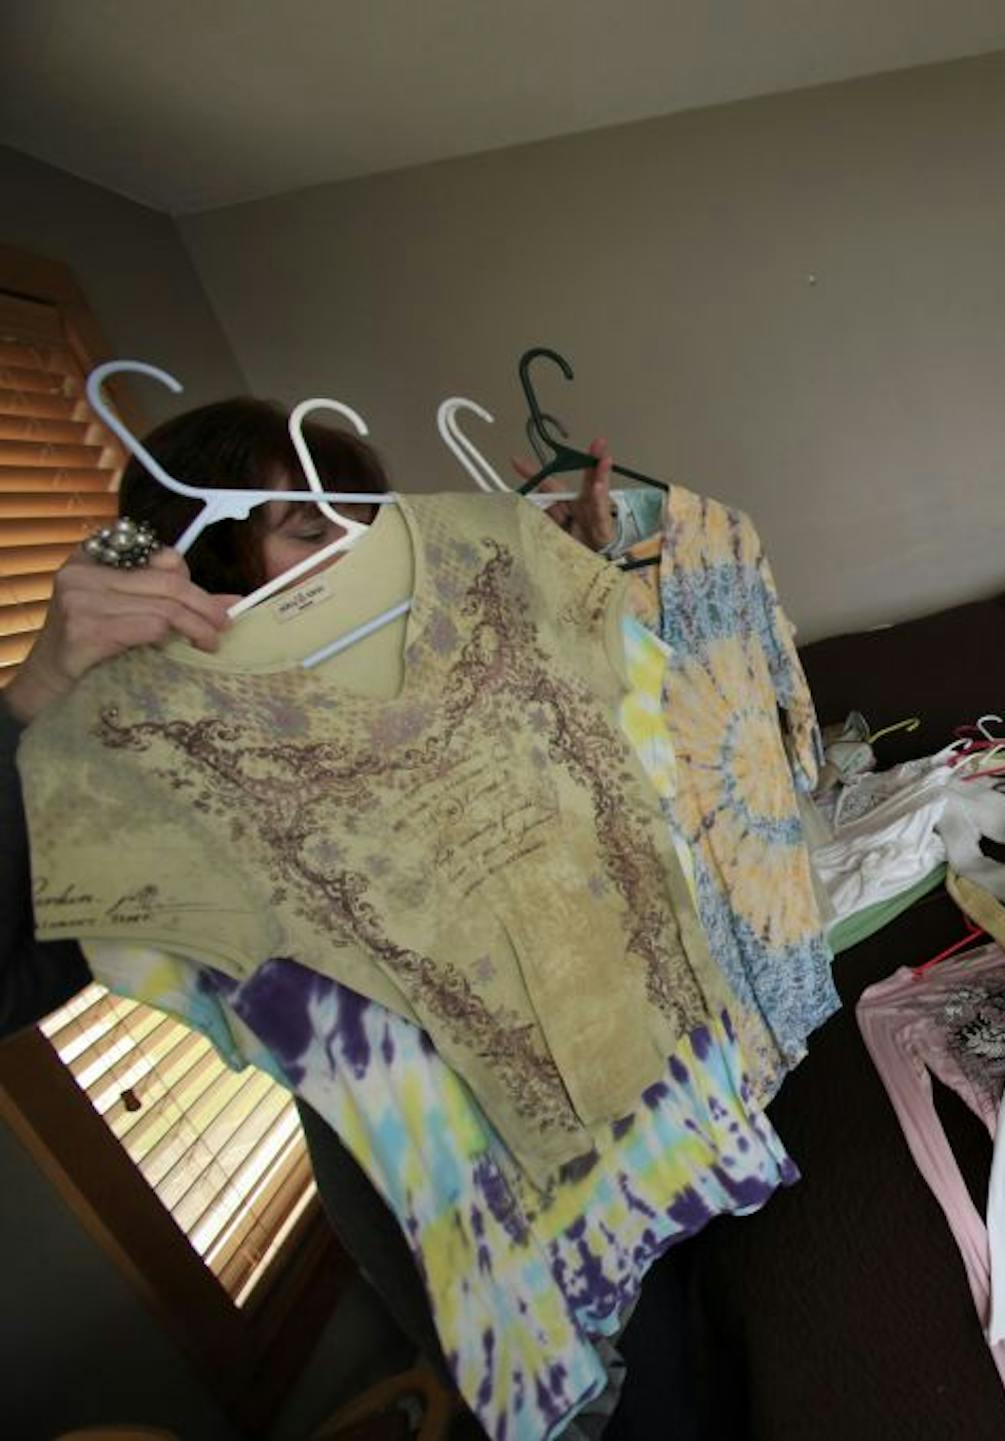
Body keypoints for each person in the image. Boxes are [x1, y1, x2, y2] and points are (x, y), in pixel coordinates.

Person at [0, 398, 710, 1437]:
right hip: (481, 1218)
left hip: (630, 1112)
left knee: (698, 1341)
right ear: (199, 567)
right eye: (305, 526)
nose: (358, 554)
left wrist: (563, 576)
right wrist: (39, 697)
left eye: (363, 522)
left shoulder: (434, 663)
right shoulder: (168, 777)